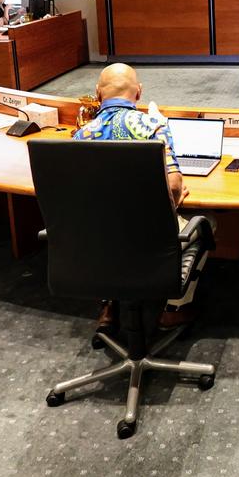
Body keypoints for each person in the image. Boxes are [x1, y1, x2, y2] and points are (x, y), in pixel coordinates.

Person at [73, 63, 199, 332]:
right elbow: (175, 186)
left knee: (101, 223)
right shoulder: (153, 126)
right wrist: (175, 200)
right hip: (148, 236)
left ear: (98, 94)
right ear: (139, 93)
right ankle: (175, 309)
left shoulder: (81, 134)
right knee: (206, 223)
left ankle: (108, 304)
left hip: (99, 241)